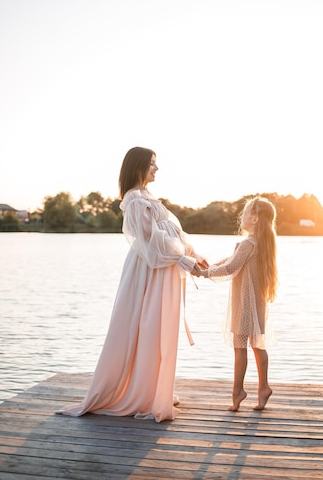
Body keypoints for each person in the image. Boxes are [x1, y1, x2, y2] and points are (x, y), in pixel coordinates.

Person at [57, 146, 207, 422]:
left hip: (161, 266)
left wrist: (193, 253)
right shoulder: (136, 200)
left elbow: (173, 232)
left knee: (156, 327)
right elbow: (151, 241)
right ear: (138, 166)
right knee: (146, 326)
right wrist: (182, 259)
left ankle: (152, 389)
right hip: (149, 269)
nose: (156, 168)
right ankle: (141, 392)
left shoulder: (147, 197)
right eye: (152, 163)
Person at [197, 196, 278, 412]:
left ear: (254, 218)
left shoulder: (248, 244)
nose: (241, 217)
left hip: (244, 303)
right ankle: (263, 388)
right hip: (257, 303)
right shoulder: (261, 243)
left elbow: (231, 267)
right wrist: (211, 265)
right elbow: (230, 260)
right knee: (257, 345)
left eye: (245, 213)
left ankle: (237, 391)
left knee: (239, 347)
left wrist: (204, 273)